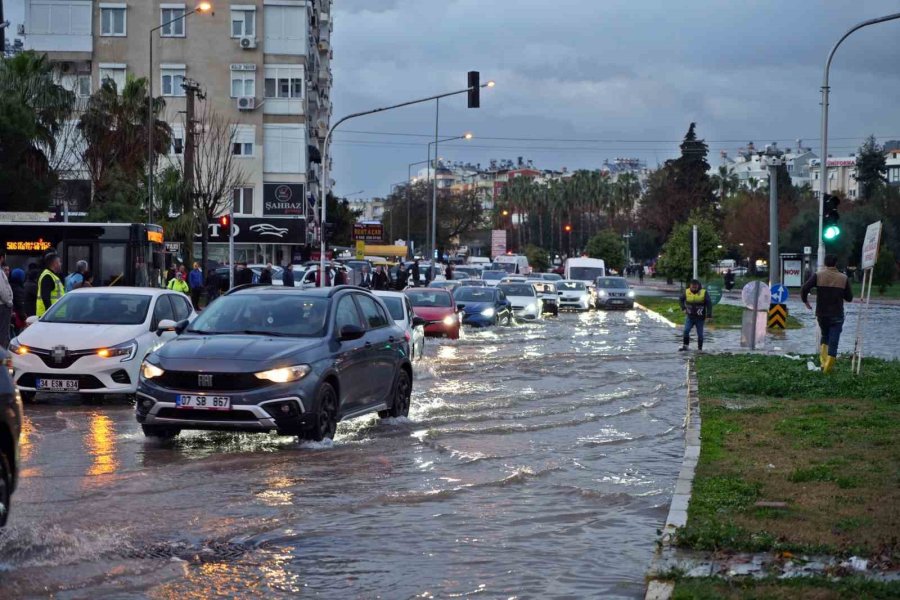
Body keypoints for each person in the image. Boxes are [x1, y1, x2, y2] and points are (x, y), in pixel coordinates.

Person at [801, 254, 853, 373]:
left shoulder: (818, 275)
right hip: (837, 314)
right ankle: (828, 367)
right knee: (834, 340)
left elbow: (805, 288)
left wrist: (806, 302)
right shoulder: (843, 278)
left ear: (825, 263)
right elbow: (849, 298)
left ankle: (823, 363)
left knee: (825, 336)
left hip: (822, 314)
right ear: (836, 263)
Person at [679, 279, 713, 352]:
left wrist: (709, 315)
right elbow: (681, 299)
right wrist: (683, 308)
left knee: (700, 334)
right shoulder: (686, 291)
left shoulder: (704, 292)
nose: (694, 288)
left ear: (698, 286)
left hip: (700, 318)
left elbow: (709, 304)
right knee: (686, 331)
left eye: (695, 287)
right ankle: (685, 346)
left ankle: (700, 349)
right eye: (692, 287)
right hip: (690, 317)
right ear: (690, 286)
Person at [37, 251, 65, 317]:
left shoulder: (52, 275)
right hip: (49, 315)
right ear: (55, 264)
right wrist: (49, 314)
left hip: (55, 314)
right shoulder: (47, 276)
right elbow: (45, 297)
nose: (61, 264)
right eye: (59, 262)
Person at [0, 252, 13, 348]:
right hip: (3, 306)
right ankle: (2, 358)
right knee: (3, 332)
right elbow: (2, 290)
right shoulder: (0, 272)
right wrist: (9, 302)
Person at [9, 268, 26, 334]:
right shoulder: (18, 289)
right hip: (17, 318)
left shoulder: (10, 285)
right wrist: (24, 318)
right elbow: (20, 304)